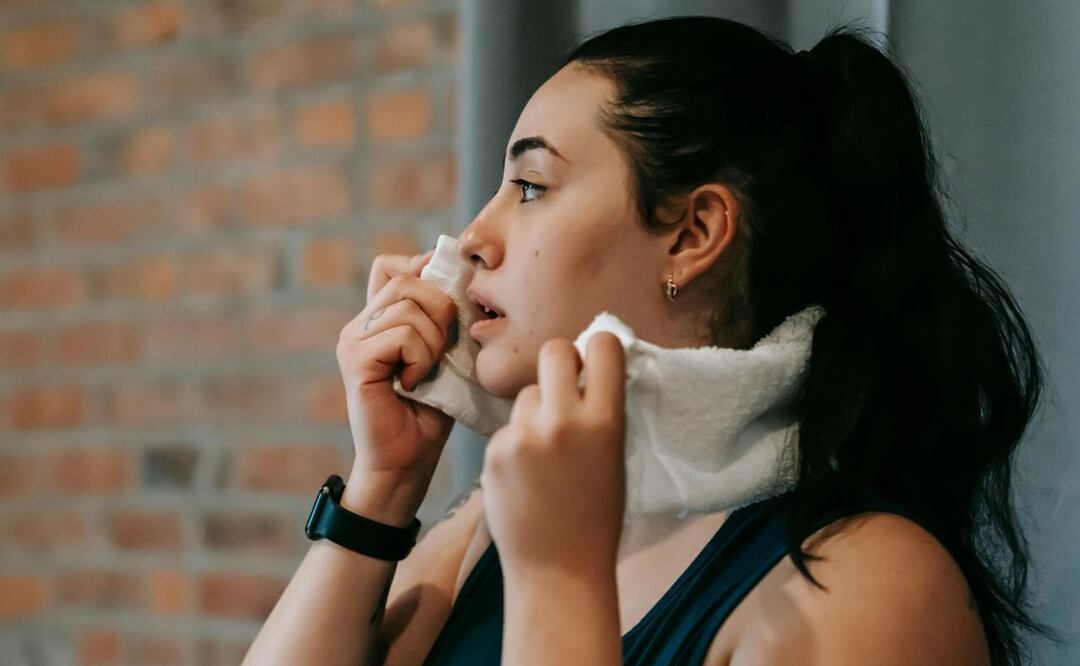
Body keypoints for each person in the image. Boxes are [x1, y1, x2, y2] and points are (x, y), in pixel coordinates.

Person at [243, 16, 1054, 666]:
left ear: (695, 232)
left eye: (530, 187)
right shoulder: (489, 526)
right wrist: (384, 485)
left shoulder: (871, 584)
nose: (473, 236)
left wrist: (559, 580)